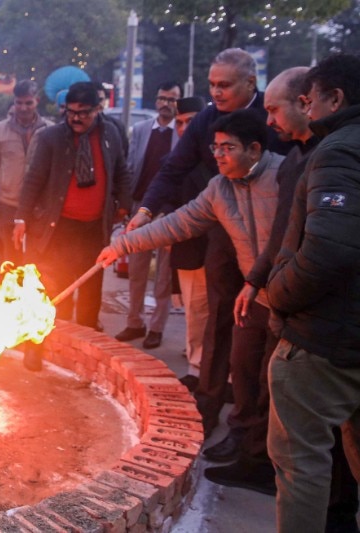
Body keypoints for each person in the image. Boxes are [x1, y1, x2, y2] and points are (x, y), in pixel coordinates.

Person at [99, 108, 284, 493]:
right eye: (215, 148)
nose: (218, 155)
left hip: (289, 297)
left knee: (276, 384)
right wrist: (123, 246)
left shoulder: (285, 176)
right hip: (254, 297)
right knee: (244, 372)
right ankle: (246, 448)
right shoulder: (220, 188)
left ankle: (268, 462)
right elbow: (178, 223)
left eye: (227, 148)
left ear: (254, 149)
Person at [128, 48, 291, 437]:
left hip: (273, 238)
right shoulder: (206, 121)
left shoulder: (274, 119)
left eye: (225, 85)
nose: (216, 92)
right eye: (212, 85)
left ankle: (254, 427)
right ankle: (210, 398)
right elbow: (174, 168)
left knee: (264, 334)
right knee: (220, 317)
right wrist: (145, 211)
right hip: (222, 226)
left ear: (250, 84)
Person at [266, 53, 360, 533]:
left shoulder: (338, 151)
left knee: (299, 464)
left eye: (309, 100)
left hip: (325, 340)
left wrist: (278, 293)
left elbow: (328, 249)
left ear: (335, 98)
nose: (306, 109)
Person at [13, 81, 131, 358]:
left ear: (98, 109)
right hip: (58, 231)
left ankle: (83, 357)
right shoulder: (51, 137)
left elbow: (121, 172)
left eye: (83, 113)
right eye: (71, 112)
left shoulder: (111, 134)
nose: (76, 118)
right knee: (54, 294)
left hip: (94, 231)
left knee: (90, 297)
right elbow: (33, 180)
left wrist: (125, 206)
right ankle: (41, 351)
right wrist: (21, 219)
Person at [115, 81, 183, 350]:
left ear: (178, 102)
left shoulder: (183, 133)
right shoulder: (142, 129)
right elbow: (130, 167)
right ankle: (135, 322)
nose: (166, 104)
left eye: (172, 99)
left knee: (163, 276)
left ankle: (156, 328)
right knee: (136, 270)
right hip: (140, 207)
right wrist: (127, 205)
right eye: (162, 98)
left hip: (169, 212)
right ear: (156, 101)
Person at [0, 80, 51, 269]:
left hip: (39, 207)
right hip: (8, 206)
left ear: (37, 101)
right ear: (14, 101)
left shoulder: (50, 130)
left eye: (28, 103)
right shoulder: (0, 130)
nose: (23, 108)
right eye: (19, 103)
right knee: (9, 263)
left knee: (37, 263)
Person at [169, 96, 211, 389]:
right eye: (180, 123)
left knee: (224, 316)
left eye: (191, 121)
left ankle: (226, 375)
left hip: (223, 248)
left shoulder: (218, 156)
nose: (185, 128)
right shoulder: (176, 162)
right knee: (195, 313)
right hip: (189, 248)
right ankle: (196, 369)